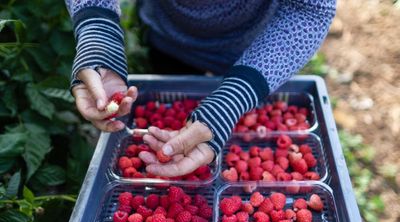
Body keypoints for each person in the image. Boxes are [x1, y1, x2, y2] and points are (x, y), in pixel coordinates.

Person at [65, 0, 336, 177]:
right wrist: (98, 30)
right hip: (168, 35)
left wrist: (234, 98)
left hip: (258, 48)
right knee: (170, 76)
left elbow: (310, 8)